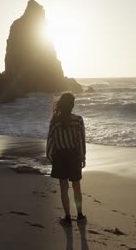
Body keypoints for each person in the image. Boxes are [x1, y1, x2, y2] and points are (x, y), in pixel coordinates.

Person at [46, 92, 87, 226]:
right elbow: (81, 140)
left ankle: (68, 217)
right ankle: (80, 214)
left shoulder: (55, 120)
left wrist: (49, 155)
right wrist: (82, 156)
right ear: (72, 105)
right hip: (74, 156)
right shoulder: (78, 120)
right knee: (76, 186)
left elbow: (50, 140)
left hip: (60, 156)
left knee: (64, 188)